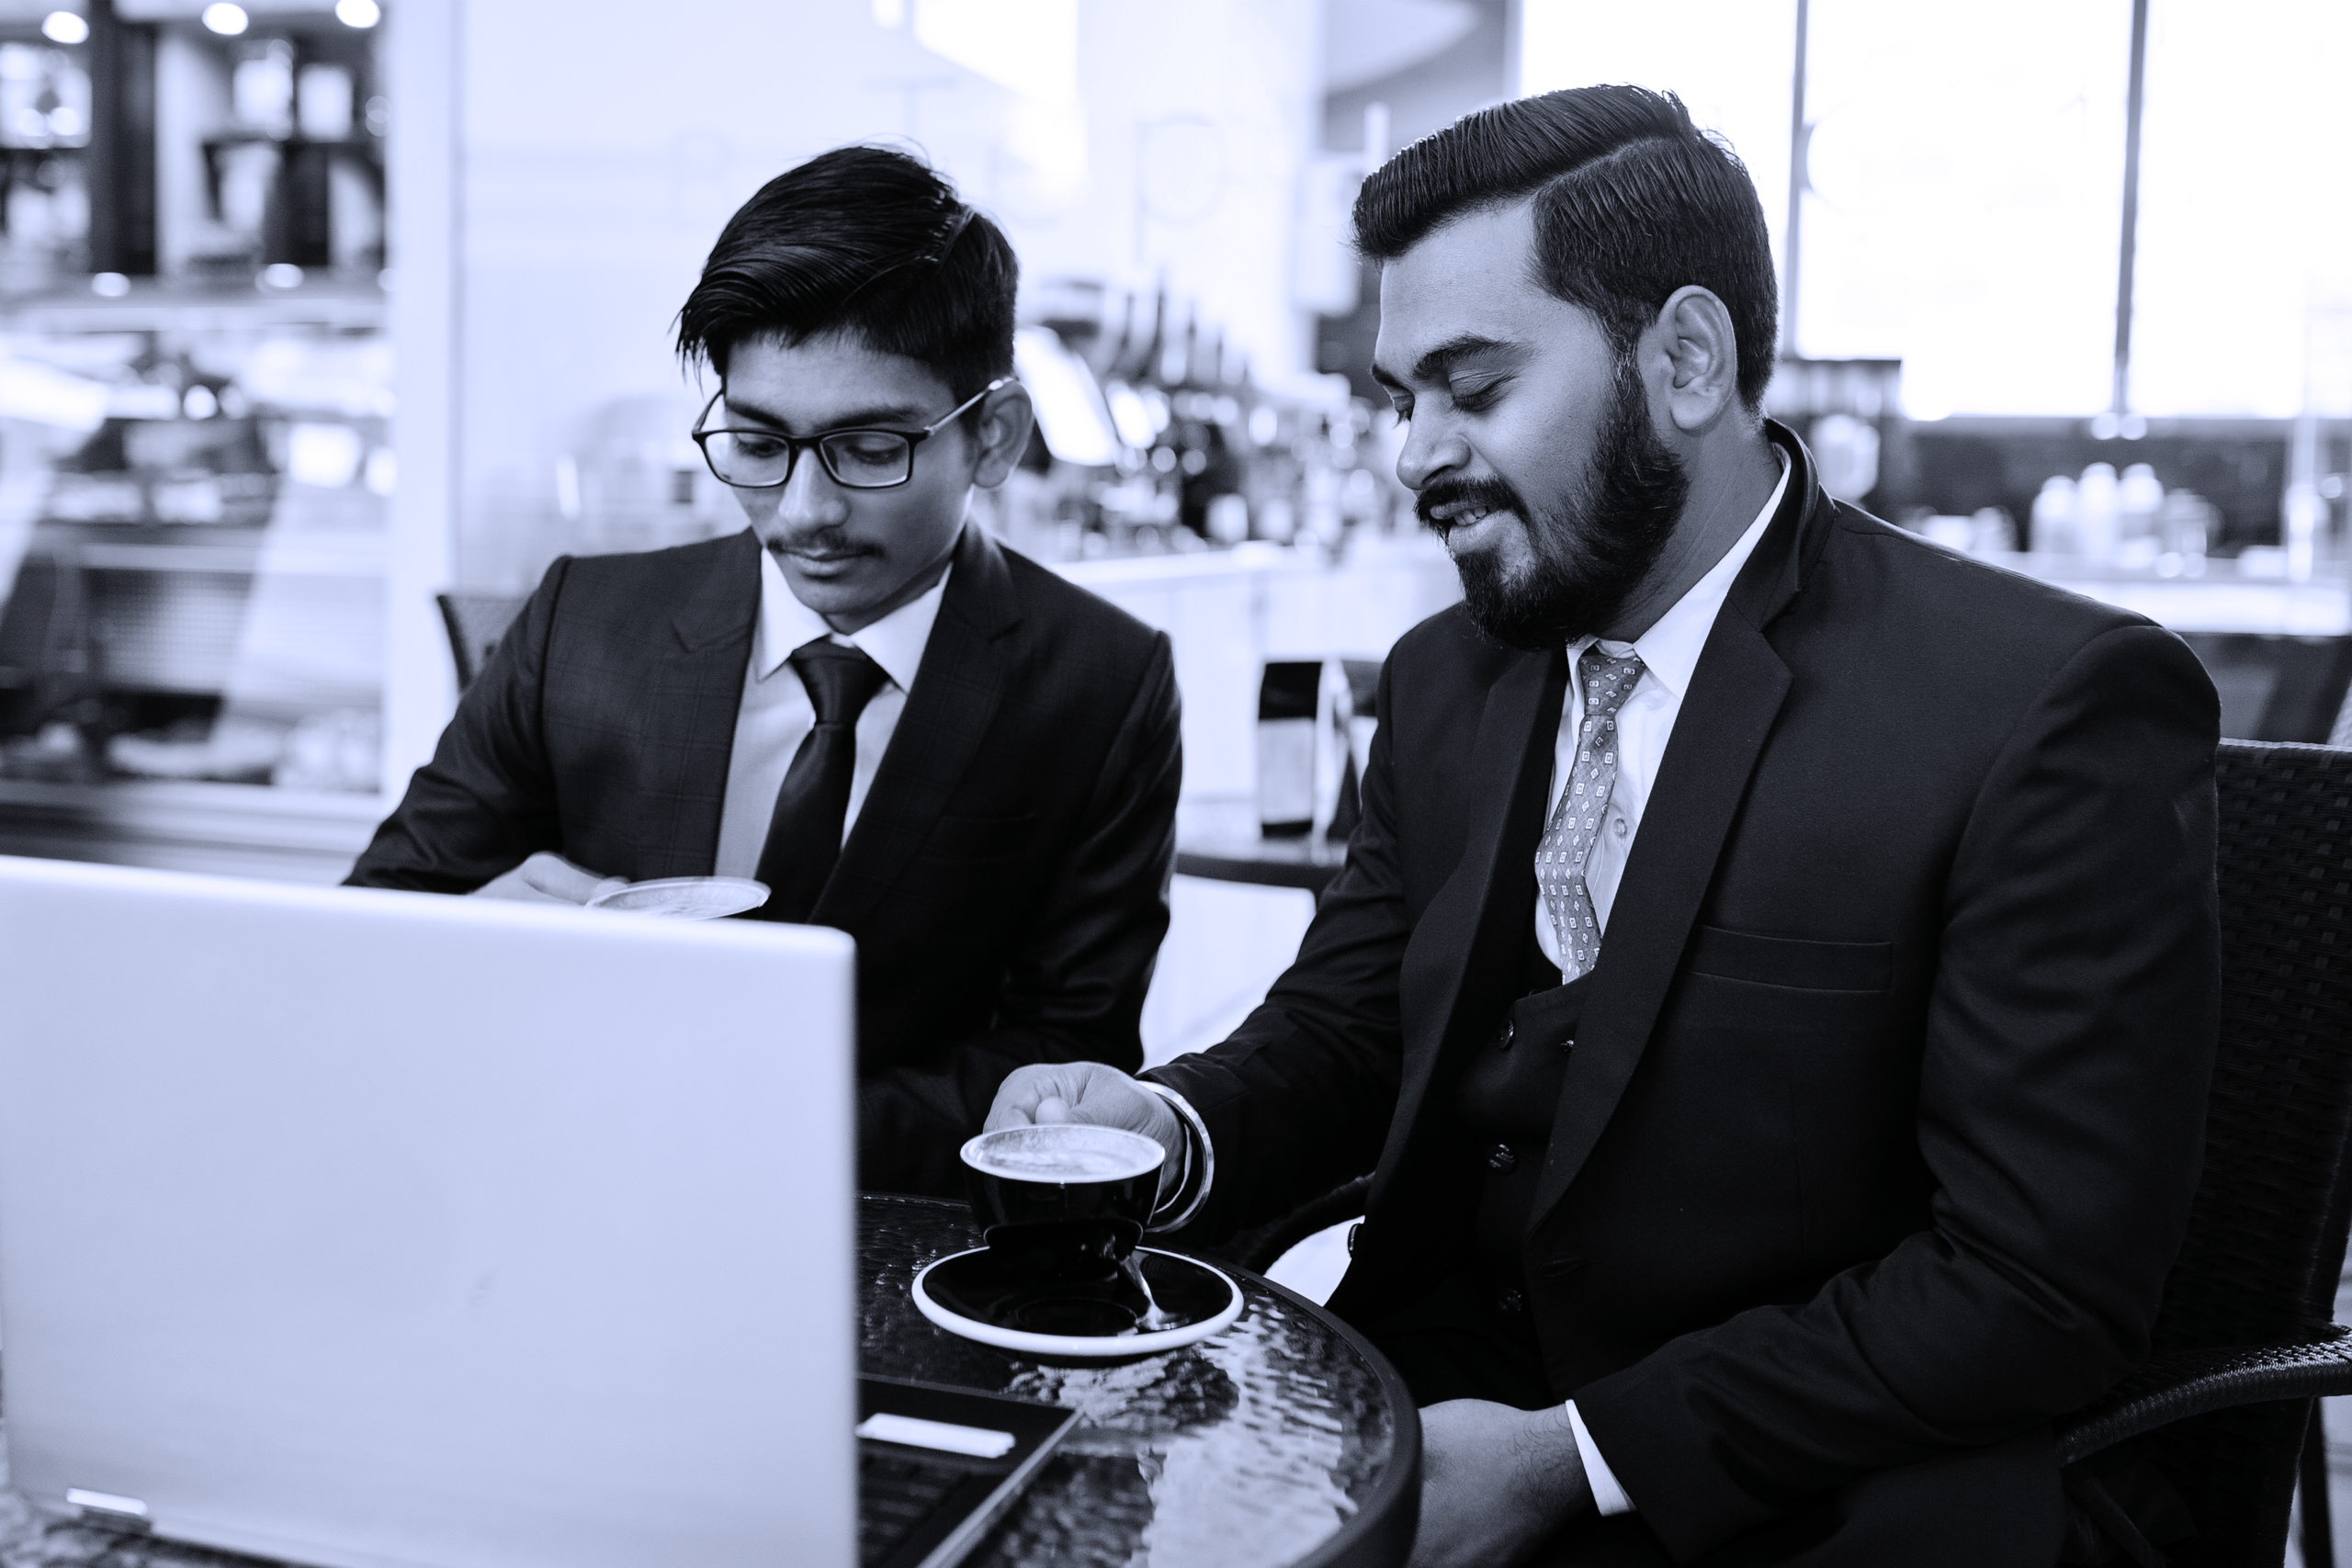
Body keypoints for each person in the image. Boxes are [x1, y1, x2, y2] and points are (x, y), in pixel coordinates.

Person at [989, 86, 2218, 1567]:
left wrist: (1574, 1460)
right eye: (1402, 396)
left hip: (1807, 1492)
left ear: (1686, 360)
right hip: (1413, 1424)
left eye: (1474, 385)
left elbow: (2033, 1287)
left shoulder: (2034, 705)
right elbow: (1348, 1027)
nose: (1411, 454)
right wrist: (1164, 1129)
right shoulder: (1454, 674)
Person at [351, 147, 1182, 1199]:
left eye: (868, 448)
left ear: (994, 436)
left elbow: (1063, 1055)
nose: (802, 513)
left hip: (888, 1238)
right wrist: (485, 943)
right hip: (561, 1193)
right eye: (755, 442)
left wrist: (725, 1128)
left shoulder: (1101, 682)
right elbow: (376, 927)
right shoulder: (581, 621)